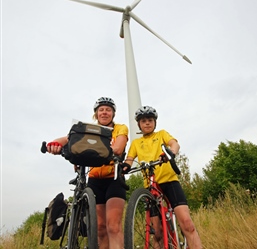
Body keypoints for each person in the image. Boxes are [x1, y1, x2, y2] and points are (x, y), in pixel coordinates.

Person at [46, 97, 128, 249]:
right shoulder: (89, 129)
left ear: (113, 114)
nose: (104, 113)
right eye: (101, 110)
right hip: (95, 180)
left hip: (114, 178)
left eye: (108, 110)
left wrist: (112, 151)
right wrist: (54, 144)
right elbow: (68, 138)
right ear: (96, 113)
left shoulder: (120, 128)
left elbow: (119, 146)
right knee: (101, 229)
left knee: (113, 227)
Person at [124, 106, 202, 249]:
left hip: (169, 181)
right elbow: (129, 158)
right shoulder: (136, 143)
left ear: (155, 122)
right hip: (151, 187)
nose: (147, 123)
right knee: (157, 233)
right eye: (143, 121)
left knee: (187, 224)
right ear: (139, 124)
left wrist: (171, 152)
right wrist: (125, 166)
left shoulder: (161, 134)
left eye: (150, 120)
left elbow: (174, 144)